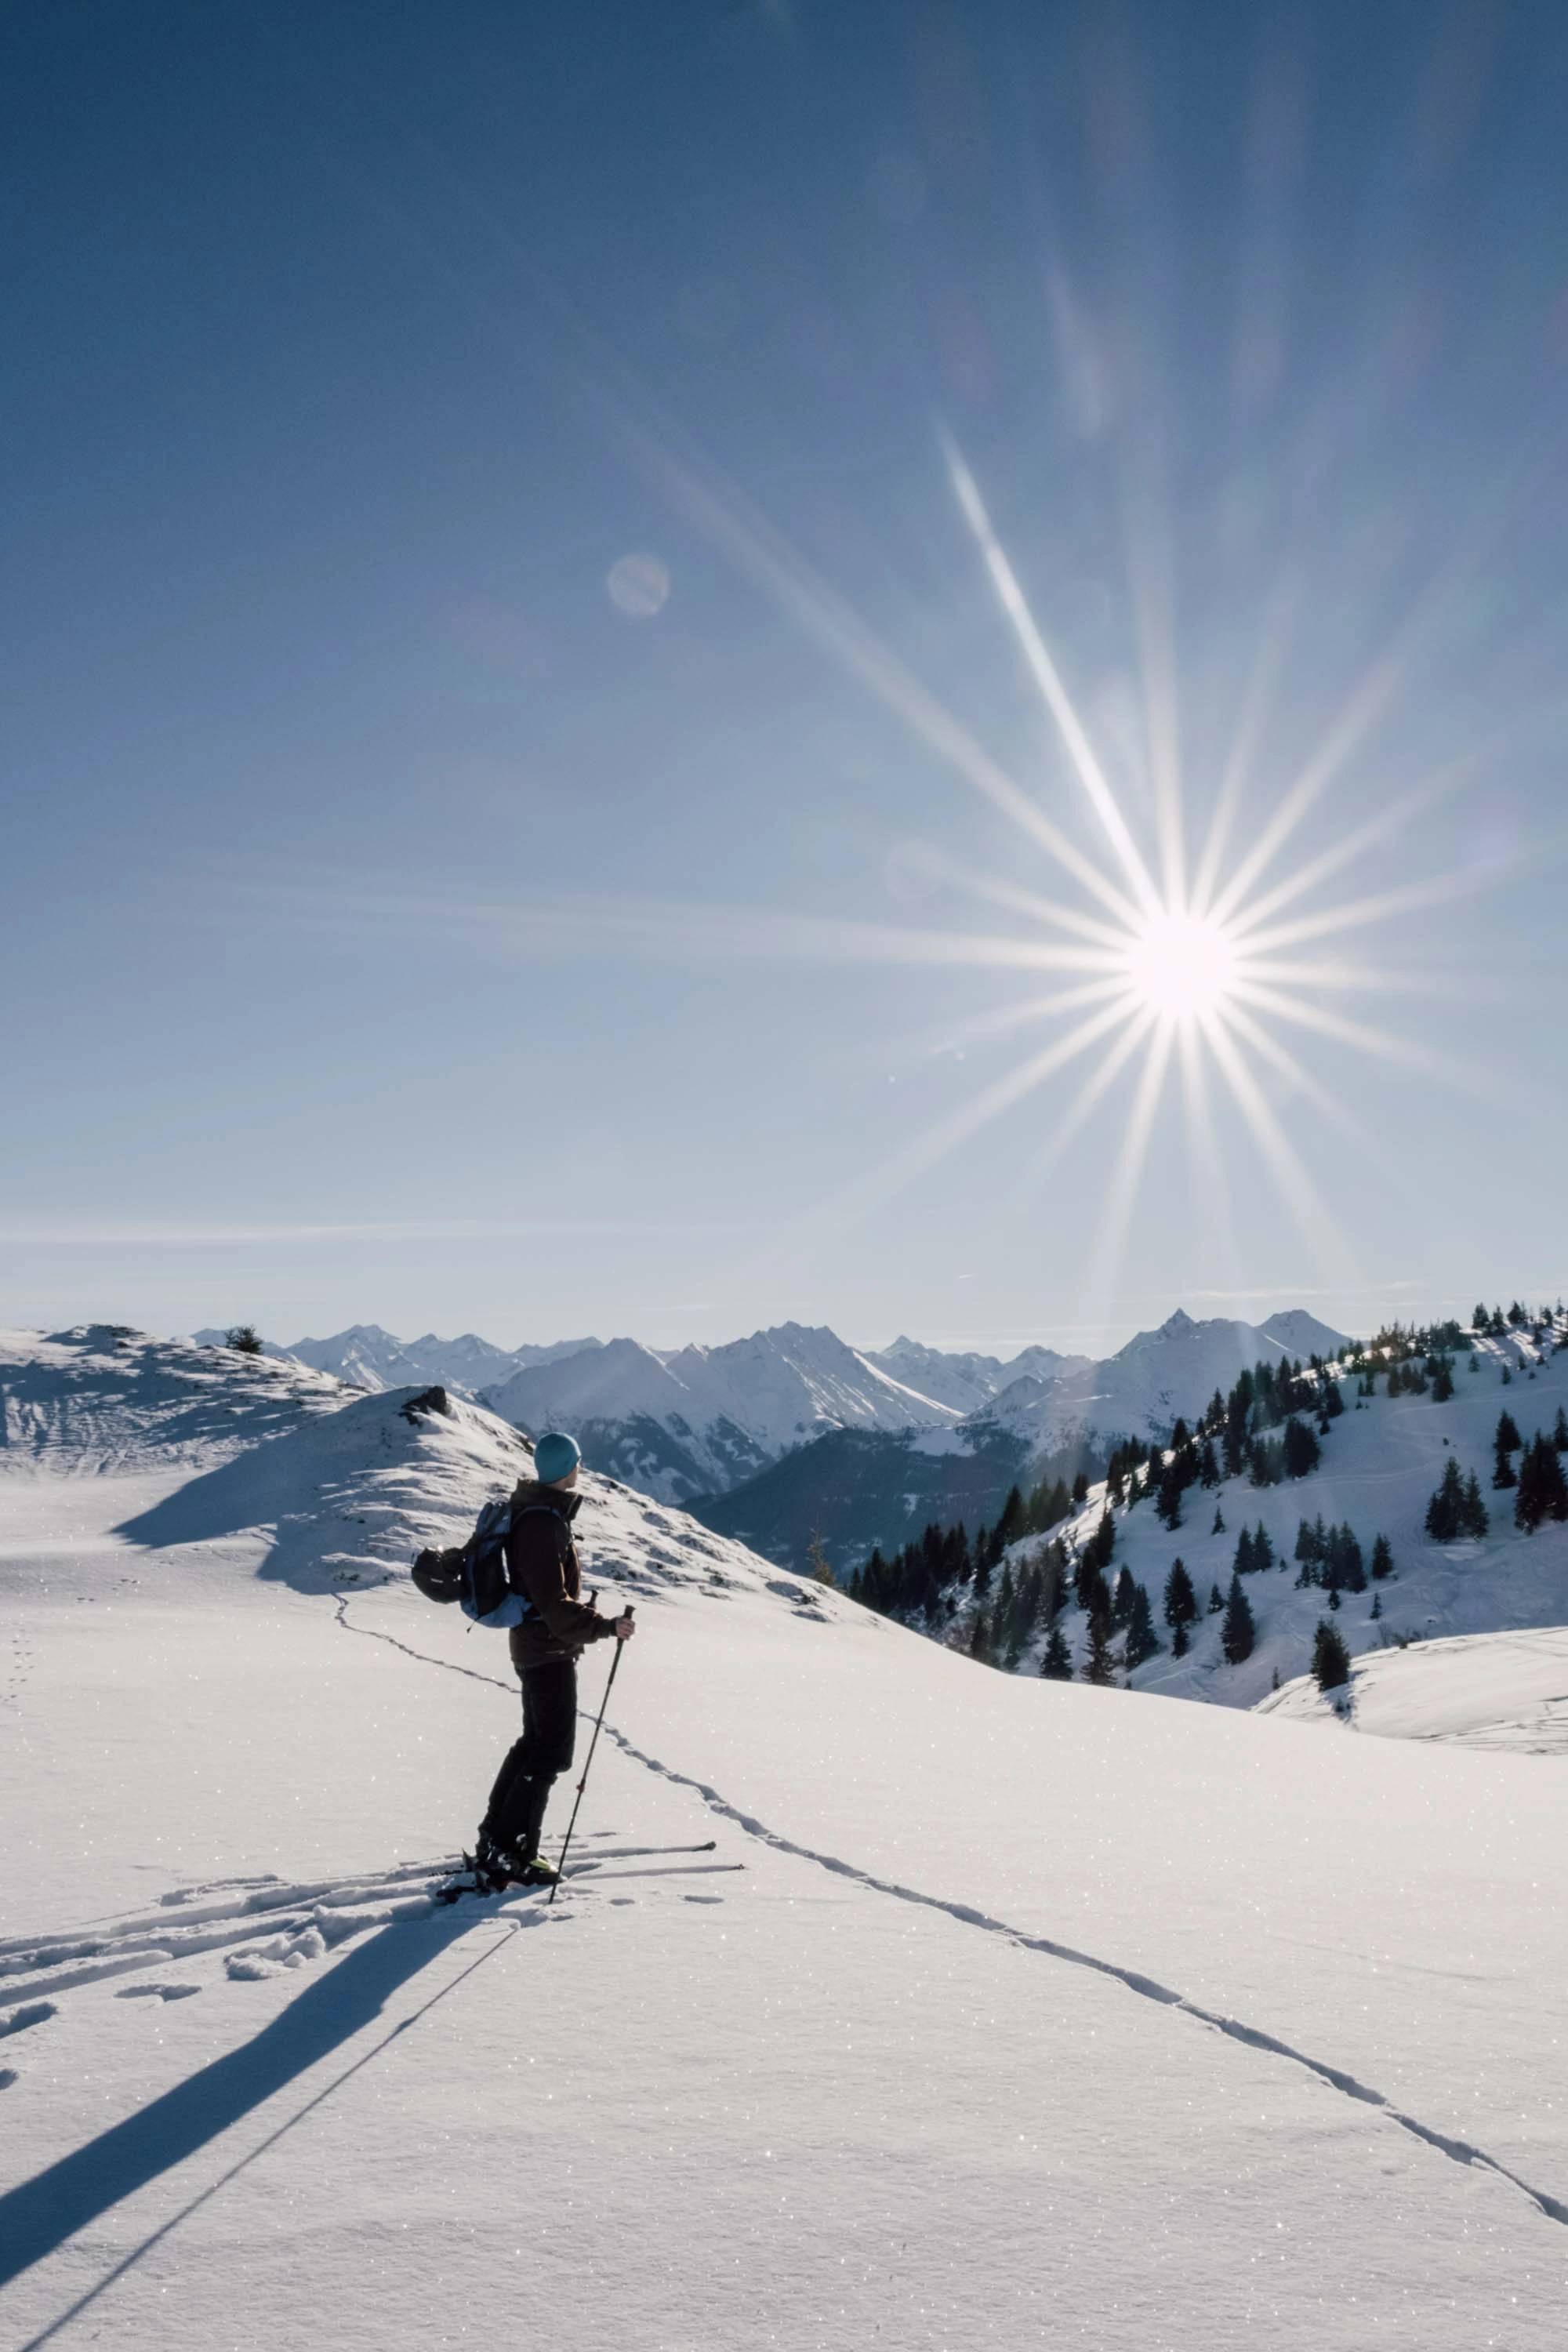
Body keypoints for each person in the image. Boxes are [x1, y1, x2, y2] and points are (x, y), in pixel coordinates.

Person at [473, 1430, 634, 1889]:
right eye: (577, 1462)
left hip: (537, 1647)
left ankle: (496, 1841)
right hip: (547, 1652)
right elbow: (553, 1605)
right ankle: (515, 1853)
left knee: (534, 1745)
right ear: (567, 1468)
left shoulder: (540, 1513)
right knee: (551, 1754)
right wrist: (605, 1626)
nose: (580, 1468)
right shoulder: (543, 1523)